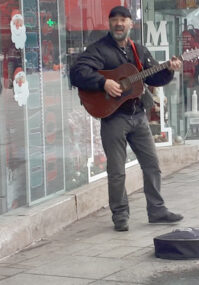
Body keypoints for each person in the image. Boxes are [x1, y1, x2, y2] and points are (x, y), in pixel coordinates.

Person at [70, 6, 183, 231]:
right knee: (117, 171)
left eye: (123, 20)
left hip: (138, 116)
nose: (119, 24)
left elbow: (156, 76)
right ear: (109, 24)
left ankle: (157, 210)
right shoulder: (99, 50)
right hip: (113, 118)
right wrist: (103, 82)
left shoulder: (138, 50)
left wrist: (170, 69)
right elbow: (77, 72)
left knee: (152, 165)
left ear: (131, 24)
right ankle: (120, 216)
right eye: (114, 20)